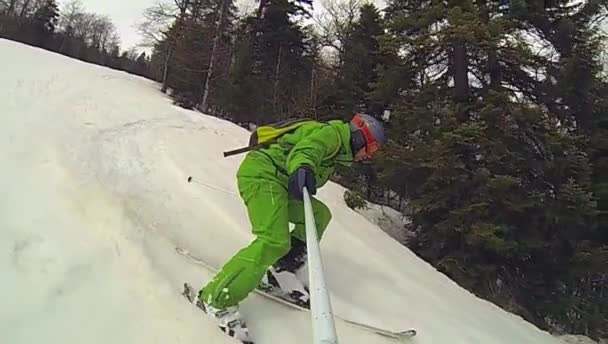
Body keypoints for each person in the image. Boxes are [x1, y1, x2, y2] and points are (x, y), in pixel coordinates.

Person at [196, 113, 386, 342]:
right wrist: (303, 167)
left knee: (318, 215)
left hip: (280, 183)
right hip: (262, 176)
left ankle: (280, 272)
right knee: (274, 240)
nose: (368, 156)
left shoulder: (337, 148)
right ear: (359, 138)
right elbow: (307, 150)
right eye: (371, 149)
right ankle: (215, 299)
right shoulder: (333, 135)